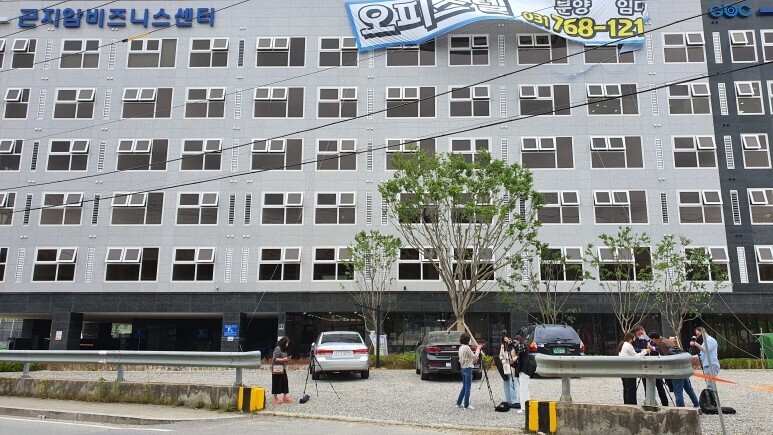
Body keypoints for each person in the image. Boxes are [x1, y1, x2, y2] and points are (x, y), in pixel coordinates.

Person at [650, 331, 700, 408]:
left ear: (654, 339)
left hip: (675, 369)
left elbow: (667, 358)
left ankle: (681, 409)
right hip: (682, 367)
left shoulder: (662, 344)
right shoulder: (668, 340)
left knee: (678, 391)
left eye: (652, 340)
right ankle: (697, 405)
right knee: (688, 389)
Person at [618, 332, 652, 405]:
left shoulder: (623, 345)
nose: (635, 339)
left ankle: (627, 404)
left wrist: (642, 350)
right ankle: (632, 404)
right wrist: (645, 351)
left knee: (626, 388)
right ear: (631, 339)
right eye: (634, 337)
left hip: (624, 369)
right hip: (630, 369)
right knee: (631, 389)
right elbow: (635, 356)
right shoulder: (629, 345)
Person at [456, 332, 483, 410]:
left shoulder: (460, 348)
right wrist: (478, 349)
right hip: (468, 368)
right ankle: (466, 405)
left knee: (464, 386)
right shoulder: (467, 348)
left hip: (463, 368)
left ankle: (459, 403)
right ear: (468, 340)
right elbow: (474, 356)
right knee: (468, 387)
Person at [499, 331, 519, 409]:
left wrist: (513, 359)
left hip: (513, 366)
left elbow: (518, 354)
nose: (505, 340)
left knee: (513, 383)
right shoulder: (503, 346)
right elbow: (500, 355)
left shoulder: (513, 344)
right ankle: (508, 401)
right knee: (506, 383)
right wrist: (503, 361)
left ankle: (514, 401)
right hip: (505, 366)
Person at [513, 335, 532, 414]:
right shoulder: (524, 347)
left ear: (518, 340)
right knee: (525, 388)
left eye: (516, 341)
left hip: (524, 370)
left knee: (522, 389)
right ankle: (528, 405)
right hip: (526, 370)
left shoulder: (523, 346)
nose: (515, 343)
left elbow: (519, 348)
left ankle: (523, 407)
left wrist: (512, 343)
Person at [272, 336, 293, 404]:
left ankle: (285, 397)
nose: (287, 344)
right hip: (277, 368)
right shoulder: (278, 349)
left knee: (285, 382)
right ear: (283, 342)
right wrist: (284, 359)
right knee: (276, 382)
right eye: (287, 343)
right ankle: (276, 398)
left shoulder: (284, 349)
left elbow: (283, 358)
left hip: (283, 368)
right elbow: (275, 359)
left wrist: (287, 359)